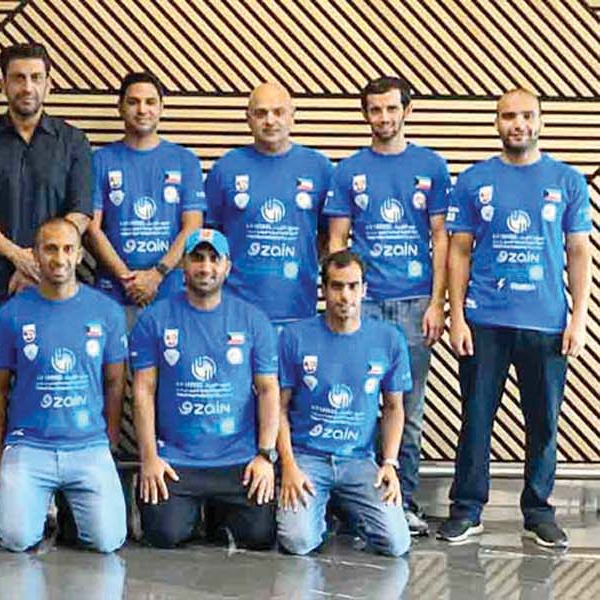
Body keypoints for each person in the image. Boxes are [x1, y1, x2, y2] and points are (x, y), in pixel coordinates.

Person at [438, 89, 591, 548]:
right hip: (485, 321)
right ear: (497, 122)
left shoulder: (568, 180)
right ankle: (467, 510)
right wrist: (457, 317)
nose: (517, 124)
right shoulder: (473, 180)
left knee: (543, 422)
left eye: (526, 115)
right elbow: (458, 251)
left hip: (546, 323)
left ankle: (538, 512)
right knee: (476, 419)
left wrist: (579, 318)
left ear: (541, 120)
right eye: (508, 116)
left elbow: (578, 251)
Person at [0, 41, 92, 504]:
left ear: (49, 83)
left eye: (36, 77)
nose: (27, 86)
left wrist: (41, 269)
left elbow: (81, 213)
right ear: (4, 83)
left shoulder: (72, 142)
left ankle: (47, 492)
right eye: (18, 77)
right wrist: (20, 257)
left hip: (57, 296)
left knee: (47, 385)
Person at [324, 76, 451, 536]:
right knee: (353, 404)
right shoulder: (348, 171)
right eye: (375, 109)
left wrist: (438, 303)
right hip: (363, 305)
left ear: (406, 111)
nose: (383, 117)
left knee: (407, 409)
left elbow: (442, 238)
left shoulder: (431, 166)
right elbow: (337, 240)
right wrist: (339, 300)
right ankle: (347, 506)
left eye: (391, 108)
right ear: (365, 114)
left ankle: (404, 502)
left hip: (415, 305)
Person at [0, 218, 127, 553]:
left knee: (108, 542)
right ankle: (37, 505)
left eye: (67, 249)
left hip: (87, 445)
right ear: (35, 254)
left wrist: (108, 441)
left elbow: (115, 382)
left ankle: (69, 510)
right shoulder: (10, 315)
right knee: (16, 539)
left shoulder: (107, 312)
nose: (59, 258)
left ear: (79, 255)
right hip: (29, 445)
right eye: (50, 249)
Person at [132, 229, 279, 550]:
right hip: (176, 458)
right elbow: (143, 390)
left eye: (215, 259)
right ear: (183, 264)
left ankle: (215, 512)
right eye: (197, 258)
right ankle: (191, 511)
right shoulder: (154, 319)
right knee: (164, 535)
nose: (206, 267)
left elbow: (269, 391)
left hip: (238, 458)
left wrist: (265, 456)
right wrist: (150, 458)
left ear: (227, 266)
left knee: (259, 537)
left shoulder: (254, 320)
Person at [275, 251, 412, 557]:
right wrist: (289, 466)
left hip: (359, 461)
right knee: (298, 542)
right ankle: (324, 510)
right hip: (307, 459)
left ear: (364, 289)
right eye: (337, 286)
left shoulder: (389, 339)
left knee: (396, 544)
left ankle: (345, 507)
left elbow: (394, 408)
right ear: (323, 289)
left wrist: (390, 463)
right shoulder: (294, 337)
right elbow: (278, 409)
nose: (345, 296)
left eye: (353, 286)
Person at [204, 82, 334, 325]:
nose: (270, 121)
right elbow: (211, 237)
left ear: (292, 116)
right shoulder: (226, 168)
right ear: (248, 119)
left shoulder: (320, 168)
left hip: (298, 310)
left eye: (278, 112)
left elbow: (330, 235)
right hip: (236, 313)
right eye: (261, 113)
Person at [86, 71, 204, 328]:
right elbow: (92, 228)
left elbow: (193, 227)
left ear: (161, 108)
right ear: (120, 107)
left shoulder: (185, 161)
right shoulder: (99, 160)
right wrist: (127, 279)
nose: (142, 110)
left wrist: (156, 275)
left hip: (170, 291)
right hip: (113, 293)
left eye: (150, 102)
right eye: (133, 102)